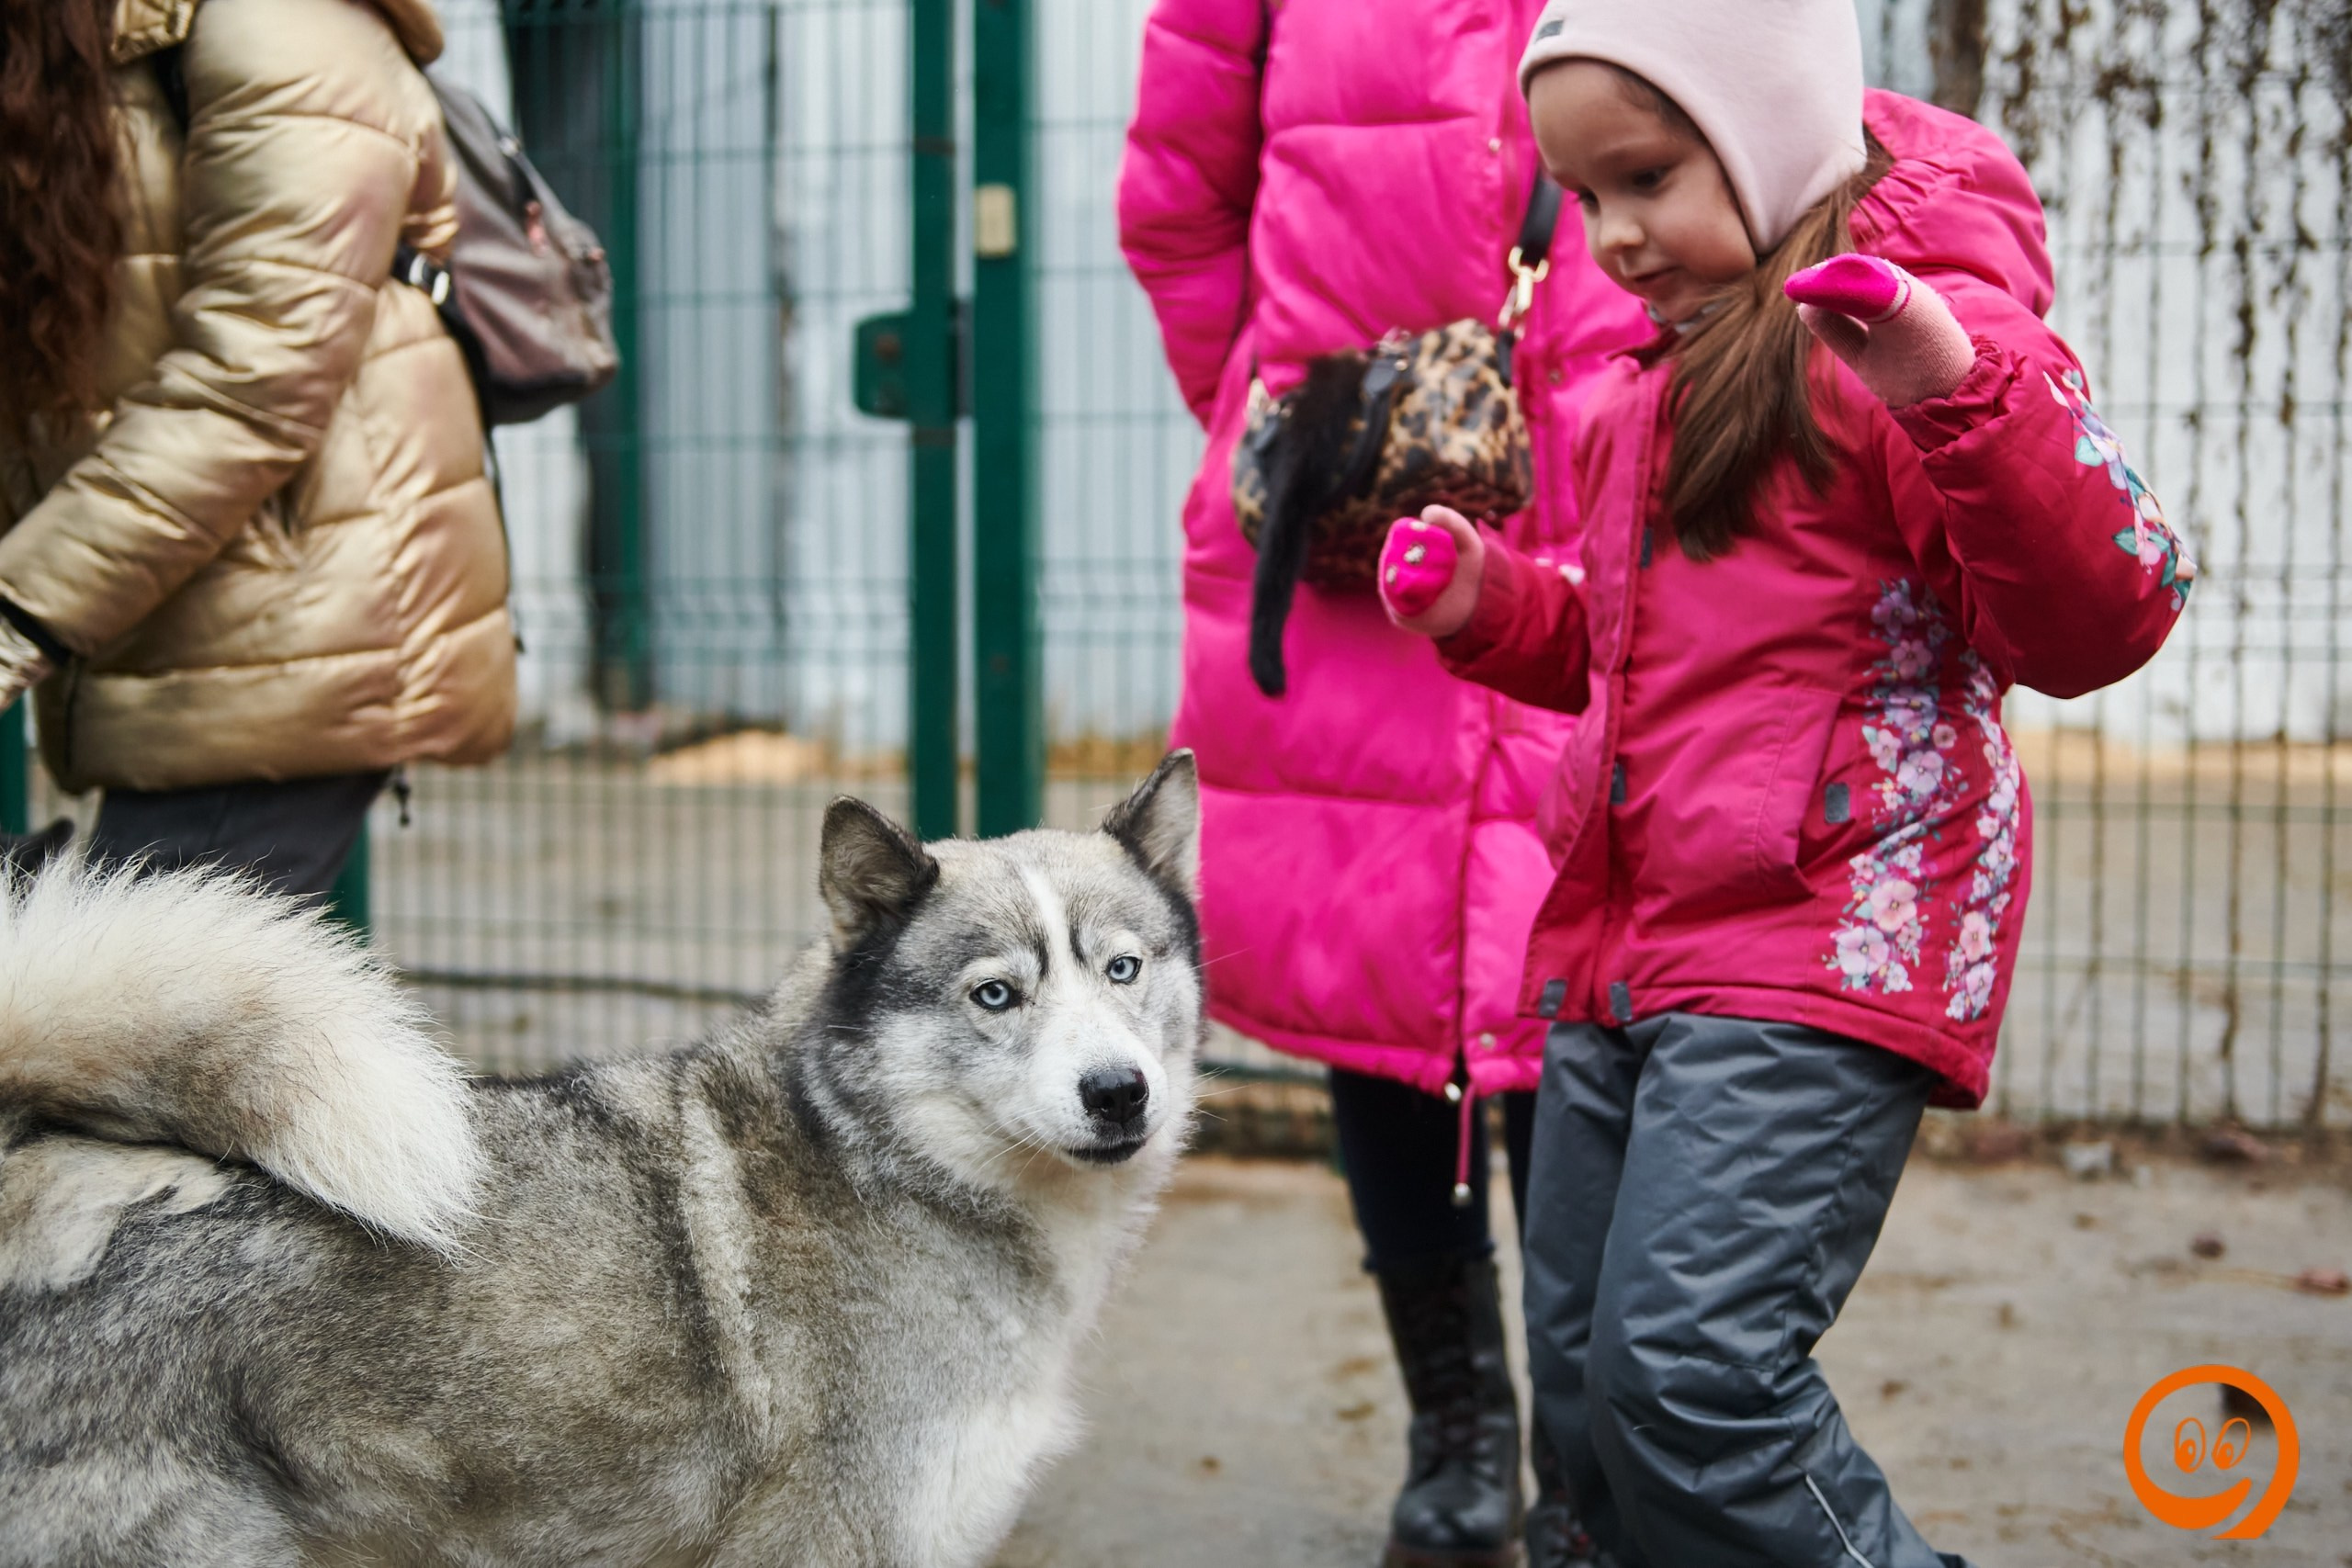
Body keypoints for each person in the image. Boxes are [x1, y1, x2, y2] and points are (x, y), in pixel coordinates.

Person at [1379, 3, 2190, 1562]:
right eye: (1584, 197)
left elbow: (2104, 610)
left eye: (1650, 176)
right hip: (1628, 940)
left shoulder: (1910, 338)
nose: (1611, 236)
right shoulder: (1649, 383)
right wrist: (1493, 602)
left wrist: (1944, 382)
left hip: (1825, 934)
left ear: (1768, 133)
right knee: (1592, 1392)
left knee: (1695, 1378)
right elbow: (1629, 660)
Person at [1118, 4, 1647, 1563]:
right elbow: (1177, 201)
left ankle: (1586, 1446)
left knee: (1586, 972)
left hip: (1616, 461)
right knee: (1379, 956)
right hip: (1356, 500)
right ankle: (1457, 1425)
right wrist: (1277, 416)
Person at [0, 0, 515, 901]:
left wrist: (17, 612)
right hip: (163, 613)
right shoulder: (69, 38)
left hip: (306, 608)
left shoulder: (277, 21)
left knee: (132, 1018)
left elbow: (261, 373)